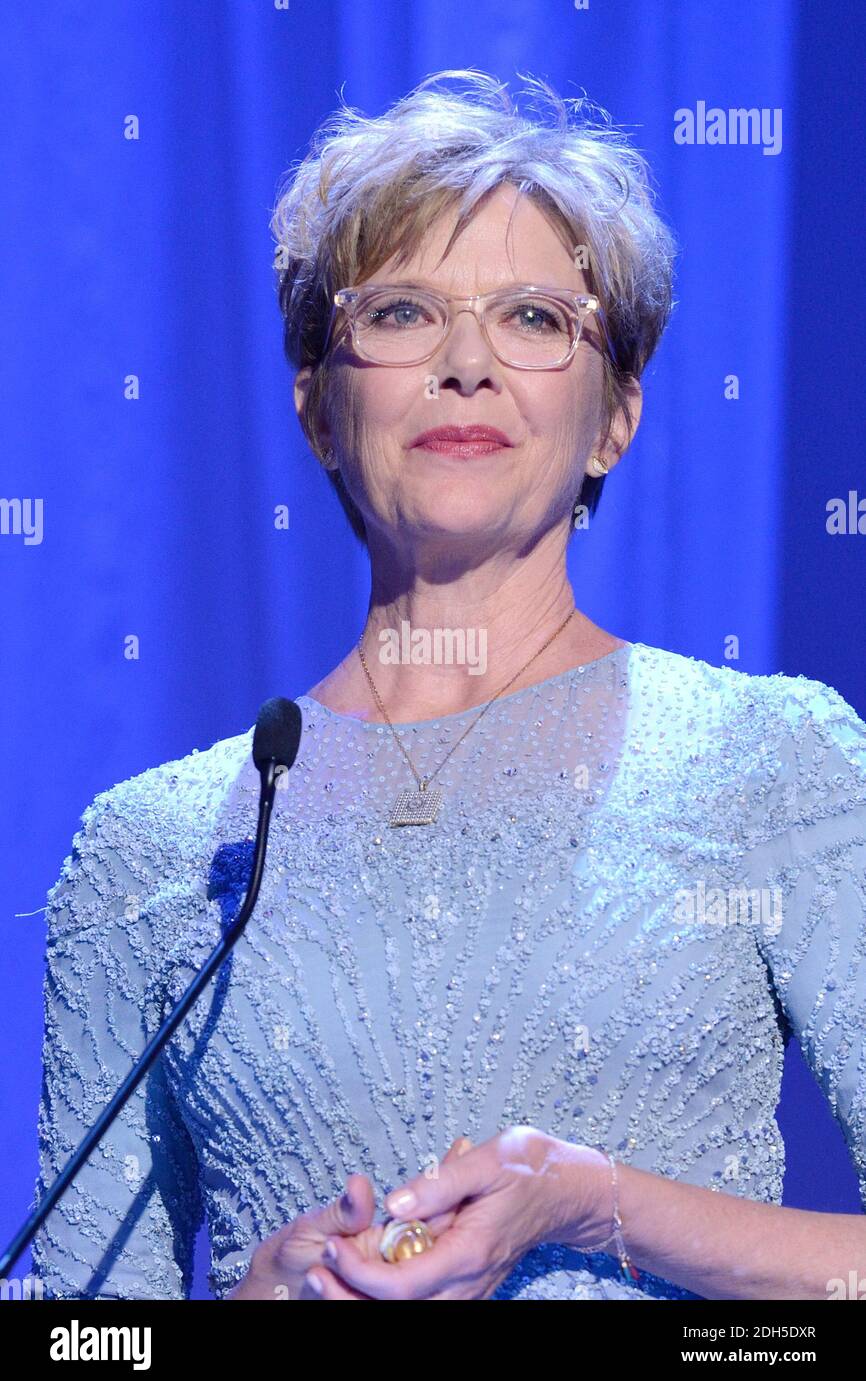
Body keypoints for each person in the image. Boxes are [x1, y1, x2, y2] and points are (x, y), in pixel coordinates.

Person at [29, 70, 866, 1301]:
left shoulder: (773, 763)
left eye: (534, 318)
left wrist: (596, 1202)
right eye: (403, 313)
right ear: (318, 405)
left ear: (613, 415)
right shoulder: (154, 849)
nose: (465, 363)